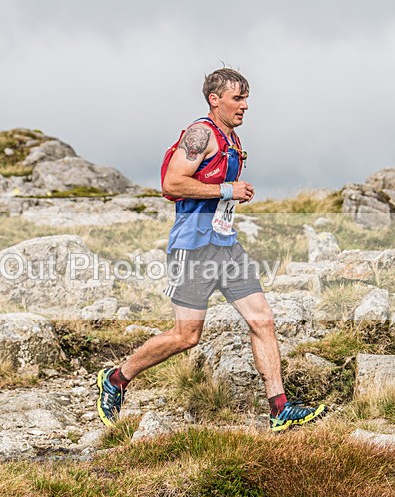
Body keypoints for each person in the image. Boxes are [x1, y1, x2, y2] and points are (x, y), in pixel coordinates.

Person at [96, 68, 326, 432]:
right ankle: (117, 378)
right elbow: (172, 183)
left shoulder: (231, 137)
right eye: (238, 98)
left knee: (262, 319)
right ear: (214, 99)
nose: (245, 106)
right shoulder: (200, 133)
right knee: (186, 336)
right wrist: (226, 191)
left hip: (225, 246)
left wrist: (234, 193)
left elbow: (216, 185)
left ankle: (279, 408)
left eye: (247, 98)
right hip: (193, 248)